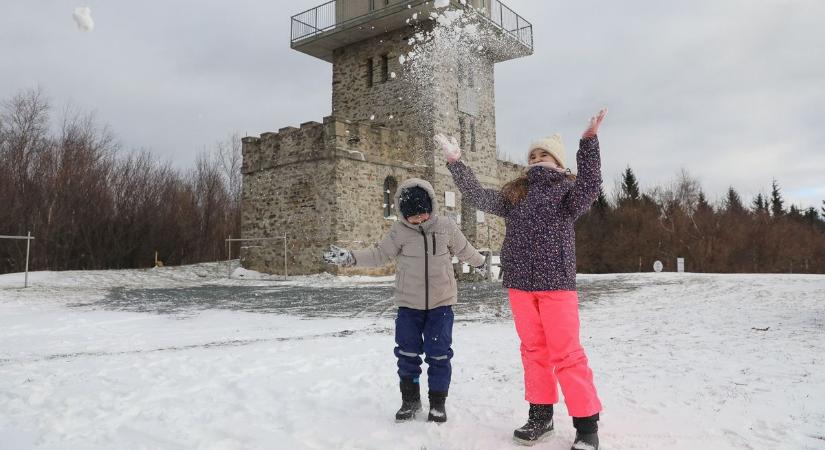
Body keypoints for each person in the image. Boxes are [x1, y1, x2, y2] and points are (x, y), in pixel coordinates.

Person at [434, 108, 607, 449]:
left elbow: (591, 184)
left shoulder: (567, 194)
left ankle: (587, 426)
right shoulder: (516, 195)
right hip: (520, 286)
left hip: (556, 285)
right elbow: (479, 196)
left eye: (544, 154)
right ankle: (540, 416)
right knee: (533, 351)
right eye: (532, 155)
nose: (536, 158)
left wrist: (588, 142)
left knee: (567, 354)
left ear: (558, 162)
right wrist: (456, 162)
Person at [323, 178, 487, 423]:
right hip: (409, 305)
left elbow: (465, 249)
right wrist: (351, 258)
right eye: (412, 216)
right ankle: (410, 401)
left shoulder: (445, 226)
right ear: (403, 213)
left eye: (422, 214)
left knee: (439, 354)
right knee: (407, 353)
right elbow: (379, 254)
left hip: (441, 304)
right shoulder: (399, 232)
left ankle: (437, 404)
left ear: (431, 207)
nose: (419, 219)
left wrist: (482, 263)